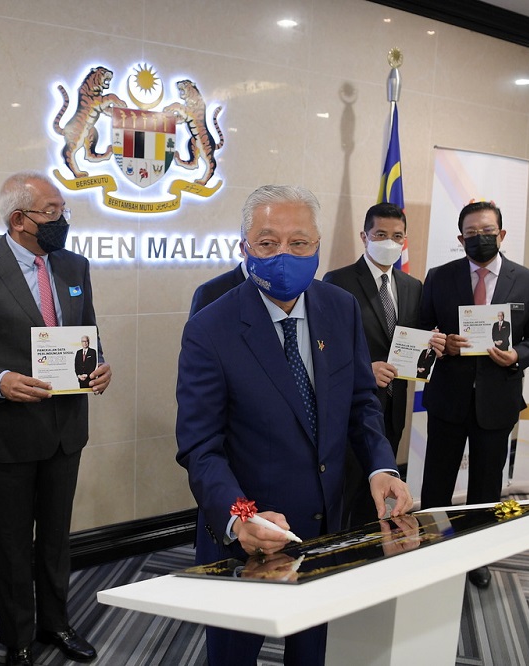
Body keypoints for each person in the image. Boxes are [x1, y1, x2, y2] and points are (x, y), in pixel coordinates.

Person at [176, 185, 412, 666]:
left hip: (326, 531)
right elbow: (201, 448)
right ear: (245, 248)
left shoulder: (339, 308)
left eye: (299, 243)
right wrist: (241, 515)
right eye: (267, 243)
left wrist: (380, 468)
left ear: (319, 245)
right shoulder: (210, 327)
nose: (284, 254)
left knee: (311, 655)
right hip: (247, 539)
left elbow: (361, 404)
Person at [0, 171, 111, 665]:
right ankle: (16, 638)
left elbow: (88, 332)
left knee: (57, 537)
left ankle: (56, 624)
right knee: (13, 542)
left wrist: (98, 365)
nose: (63, 221)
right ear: (20, 220)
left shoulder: (74, 266)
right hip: (7, 430)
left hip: (65, 429)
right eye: (53, 212)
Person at [418, 200, 529, 588]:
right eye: (471, 234)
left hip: (498, 400)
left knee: (487, 485)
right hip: (448, 397)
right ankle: (431, 548)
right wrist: (441, 342)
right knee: (437, 480)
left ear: (502, 234)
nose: (480, 239)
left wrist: (516, 356)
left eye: (487, 231)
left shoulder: (528, 281)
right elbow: (422, 329)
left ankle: (478, 556)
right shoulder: (440, 277)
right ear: (461, 239)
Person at [322, 203, 444, 527]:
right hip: (350, 411)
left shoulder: (412, 286)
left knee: (379, 495)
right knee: (346, 493)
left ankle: (372, 552)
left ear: (405, 240)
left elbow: (413, 339)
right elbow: (324, 350)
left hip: (393, 408)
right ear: (365, 236)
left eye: (397, 236)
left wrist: (433, 344)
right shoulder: (337, 282)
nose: (389, 242)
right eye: (381, 234)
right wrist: (364, 370)